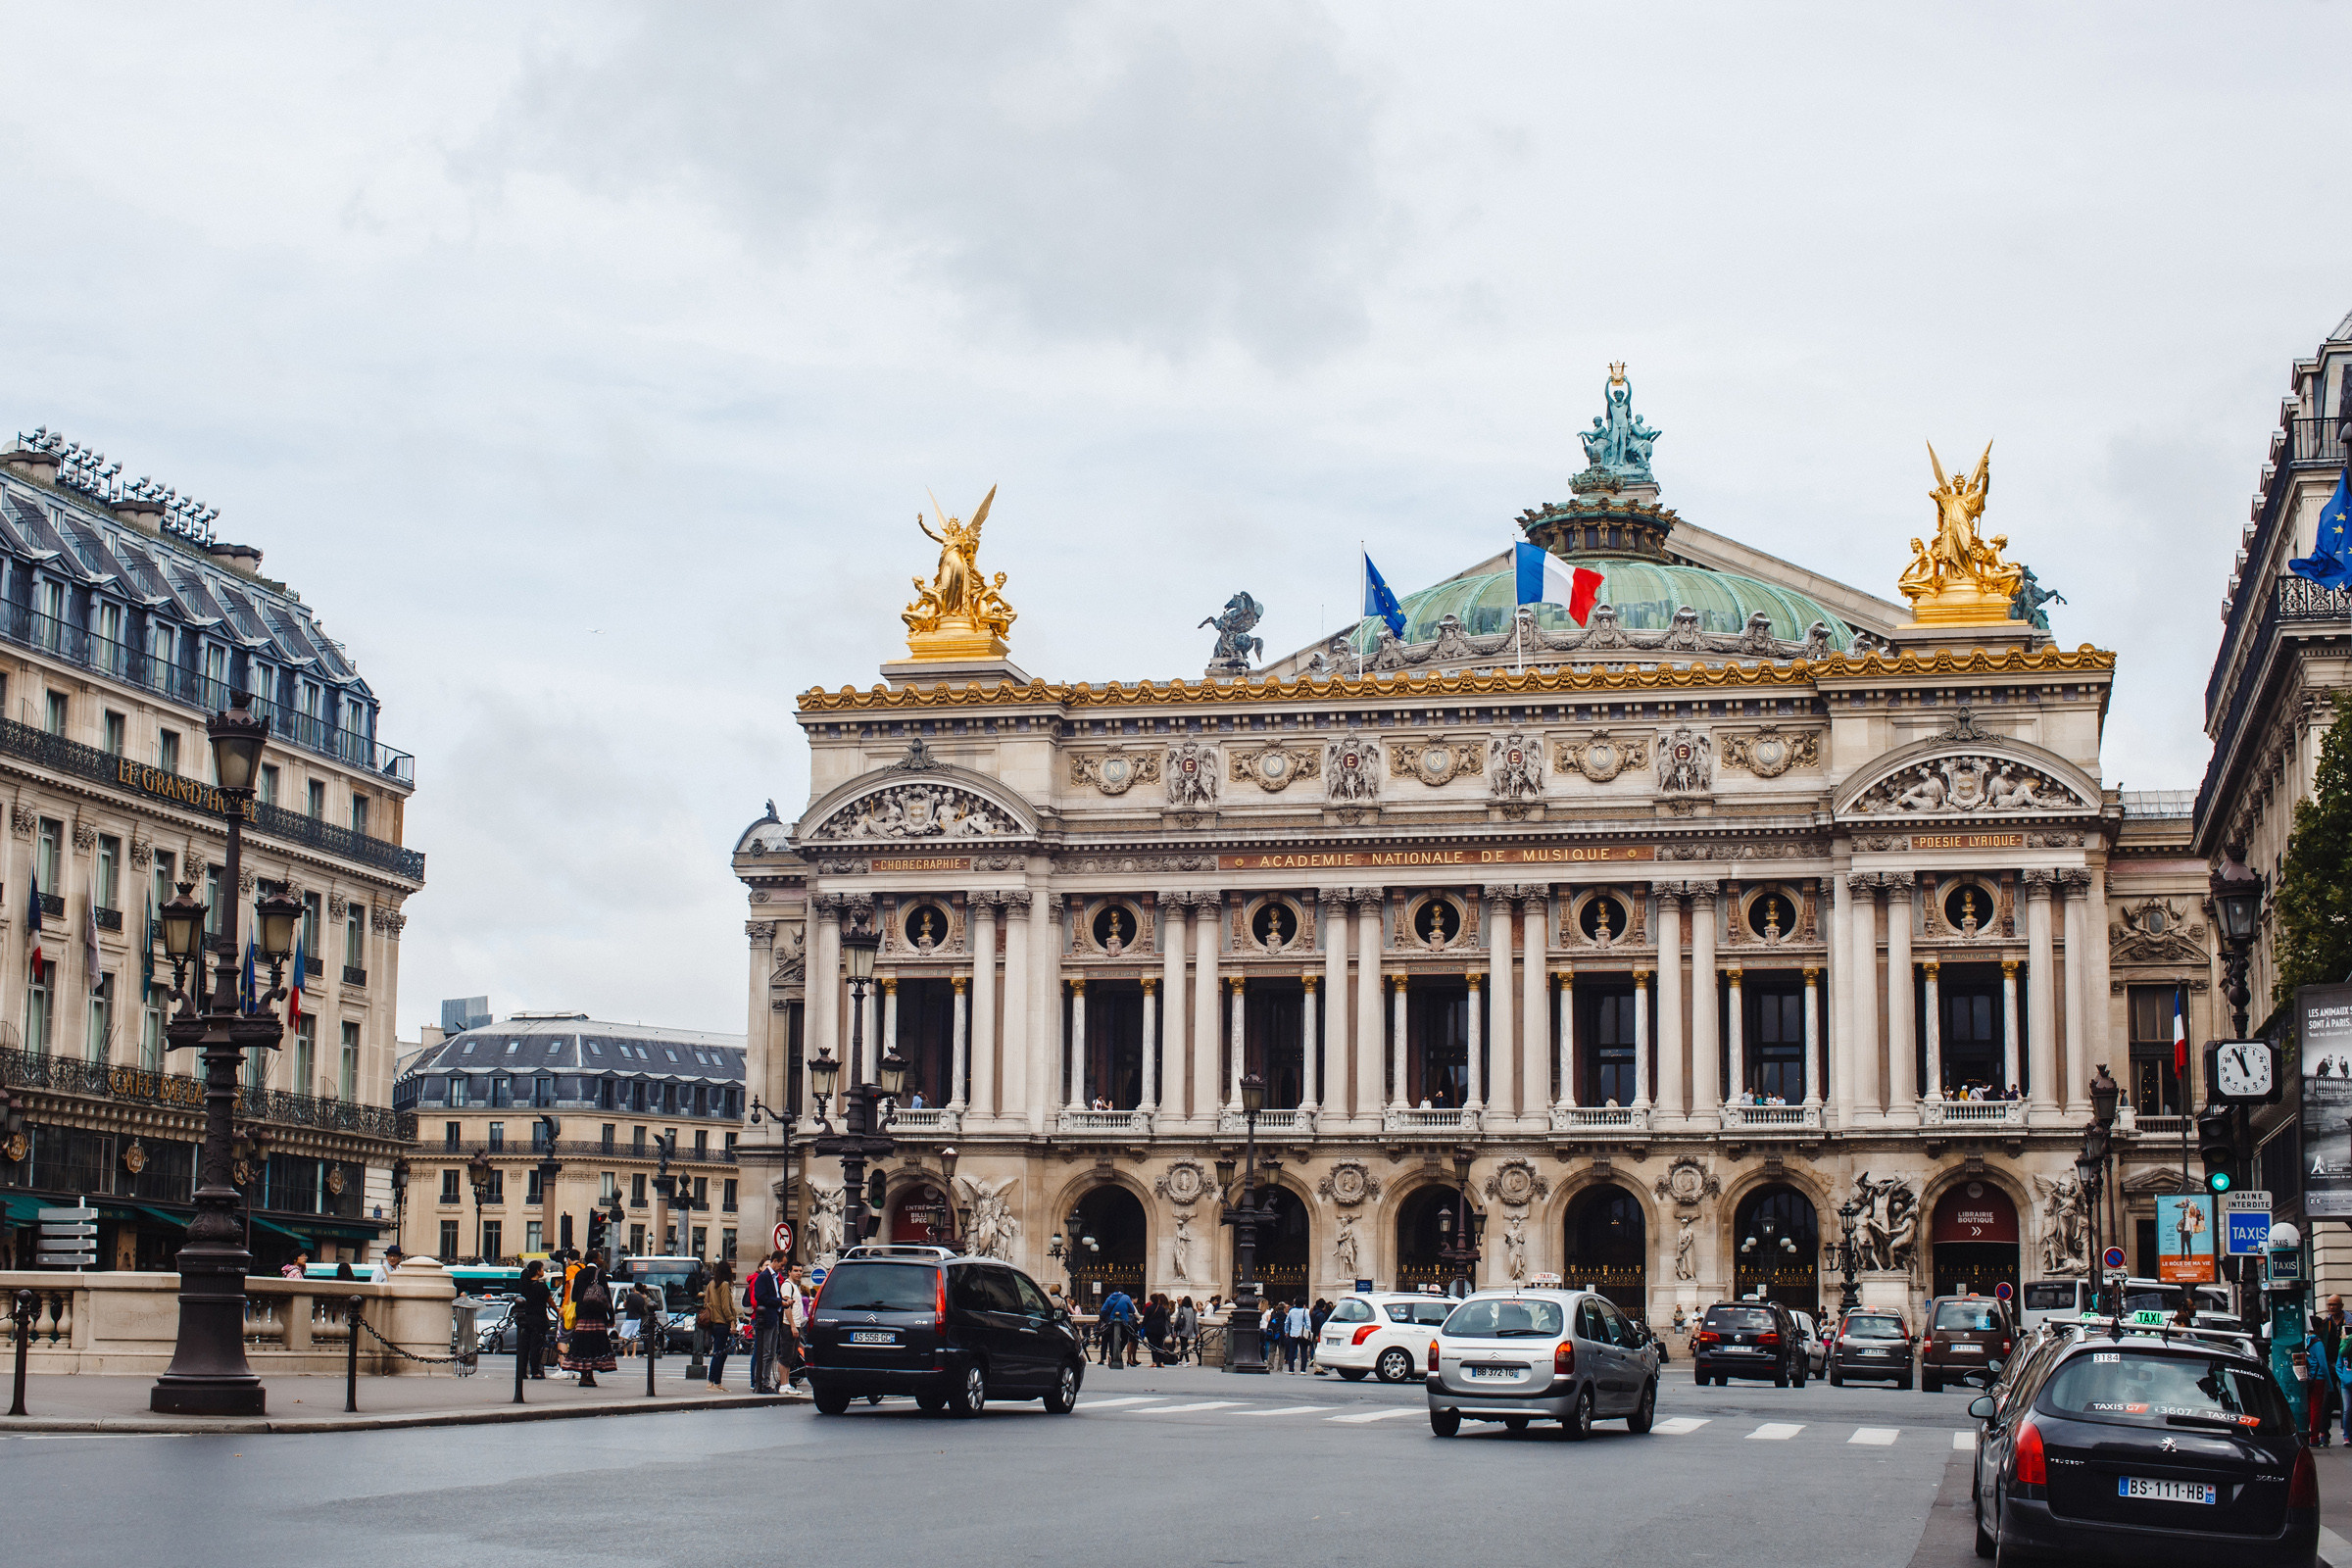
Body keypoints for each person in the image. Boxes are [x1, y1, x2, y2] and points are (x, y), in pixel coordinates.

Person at [562, 1262, 617, 1388]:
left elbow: (574, 1296)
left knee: (583, 1346)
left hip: (583, 1315)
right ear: (595, 1260)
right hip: (597, 1315)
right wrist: (611, 1316)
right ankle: (590, 1376)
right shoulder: (600, 1273)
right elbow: (606, 1296)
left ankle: (584, 1375)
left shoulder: (579, 1274)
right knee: (595, 1346)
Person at [748, 1252, 783, 1395]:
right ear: (775, 1261)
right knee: (764, 1351)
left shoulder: (775, 1278)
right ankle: (760, 1381)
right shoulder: (763, 1277)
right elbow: (760, 1298)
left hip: (773, 1317)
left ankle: (765, 1381)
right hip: (766, 1318)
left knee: (770, 1352)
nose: (782, 1268)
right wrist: (780, 1301)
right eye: (782, 1264)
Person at [703, 1261, 739, 1391]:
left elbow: (706, 1302)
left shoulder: (711, 1284)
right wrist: (732, 1321)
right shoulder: (724, 1285)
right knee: (719, 1353)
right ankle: (712, 1381)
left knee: (720, 1353)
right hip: (723, 1322)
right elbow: (726, 1306)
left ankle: (716, 1381)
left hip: (713, 1322)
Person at [515, 1259, 553, 1379]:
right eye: (542, 1269)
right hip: (539, 1318)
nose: (543, 1271)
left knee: (525, 1346)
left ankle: (522, 1371)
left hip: (526, 1318)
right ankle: (535, 1371)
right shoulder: (541, 1287)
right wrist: (558, 1311)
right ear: (537, 1271)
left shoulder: (525, 1286)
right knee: (536, 1346)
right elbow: (550, 1301)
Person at [1099, 1285, 1136, 1367]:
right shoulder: (1126, 1298)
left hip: (1112, 1322)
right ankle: (1118, 1353)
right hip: (1124, 1322)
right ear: (1123, 1291)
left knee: (1113, 1340)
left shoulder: (1109, 1298)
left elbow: (1103, 1310)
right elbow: (1132, 1310)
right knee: (1125, 1339)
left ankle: (1113, 1355)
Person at [1285, 1299, 1313, 1373]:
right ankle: (1303, 1370)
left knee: (1292, 1351)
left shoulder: (1291, 1311)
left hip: (1293, 1333)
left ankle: (1291, 1369)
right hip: (1302, 1334)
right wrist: (1308, 1331)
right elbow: (1308, 1323)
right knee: (1303, 1352)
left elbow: (1287, 1322)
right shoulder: (1305, 1311)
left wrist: (1286, 1331)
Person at [1172, 1296, 1199, 1365]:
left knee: (1184, 1346)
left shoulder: (1181, 1309)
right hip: (1189, 1330)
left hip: (1182, 1329)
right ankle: (1180, 1360)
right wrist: (1197, 1332)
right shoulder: (1193, 1311)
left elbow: (1176, 1320)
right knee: (1184, 1345)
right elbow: (1195, 1322)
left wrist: (1174, 1329)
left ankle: (1187, 1360)